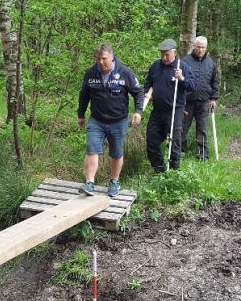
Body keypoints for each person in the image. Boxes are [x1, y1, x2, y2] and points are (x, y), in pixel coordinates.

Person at [77, 43, 144, 197]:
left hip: (118, 120)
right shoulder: (91, 73)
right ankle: (90, 183)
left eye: (104, 59)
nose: (101, 62)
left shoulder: (125, 73)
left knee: (116, 152)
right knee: (92, 148)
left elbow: (138, 93)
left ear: (112, 57)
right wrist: (80, 114)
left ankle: (114, 182)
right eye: (98, 59)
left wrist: (138, 112)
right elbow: (84, 95)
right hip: (96, 120)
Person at [143, 39, 195, 172]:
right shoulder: (155, 66)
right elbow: (148, 83)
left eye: (167, 54)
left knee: (174, 142)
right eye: (162, 54)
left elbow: (192, 86)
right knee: (151, 140)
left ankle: (173, 171)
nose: (164, 57)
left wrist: (182, 78)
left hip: (175, 110)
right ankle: (159, 169)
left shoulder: (182, 66)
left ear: (174, 52)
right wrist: (147, 93)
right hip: (158, 110)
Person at [180, 36, 219, 160]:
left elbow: (214, 82)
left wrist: (213, 98)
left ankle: (202, 155)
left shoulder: (210, 63)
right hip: (187, 102)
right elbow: (179, 82)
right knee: (182, 127)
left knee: (202, 129)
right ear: (194, 46)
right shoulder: (185, 61)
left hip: (203, 102)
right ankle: (180, 152)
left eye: (203, 47)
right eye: (198, 47)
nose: (201, 50)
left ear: (206, 48)